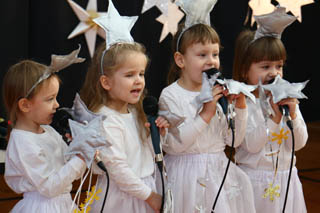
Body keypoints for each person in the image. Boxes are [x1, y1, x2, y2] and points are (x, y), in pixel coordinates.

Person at [158, 23, 255, 213]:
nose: (211, 61)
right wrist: (206, 113)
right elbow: (175, 145)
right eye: (202, 55)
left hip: (217, 173)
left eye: (215, 54)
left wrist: (240, 107)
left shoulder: (218, 92)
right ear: (180, 60)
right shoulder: (171, 95)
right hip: (186, 176)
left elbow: (234, 141)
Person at [232, 9, 308, 213]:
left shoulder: (286, 100)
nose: (274, 73)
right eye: (265, 67)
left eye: (279, 66)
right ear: (244, 70)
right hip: (255, 181)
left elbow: (298, 144)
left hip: (286, 179)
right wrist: (274, 118)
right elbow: (252, 145)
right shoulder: (243, 103)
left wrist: (292, 114)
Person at [80, 42, 169, 213]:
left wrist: (157, 136)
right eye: (129, 75)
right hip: (122, 199)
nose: (138, 81)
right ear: (106, 82)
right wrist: (150, 197)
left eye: (141, 74)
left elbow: (143, 156)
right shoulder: (106, 120)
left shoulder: (136, 111)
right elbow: (118, 170)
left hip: (144, 190)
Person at [3, 57, 87, 212]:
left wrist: (76, 148)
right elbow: (49, 187)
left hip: (64, 205)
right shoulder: (22, 141)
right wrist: (80, 157)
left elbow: (72, 173)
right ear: (25, 105)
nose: (57, 104)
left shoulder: (48, 131)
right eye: (50, 99)